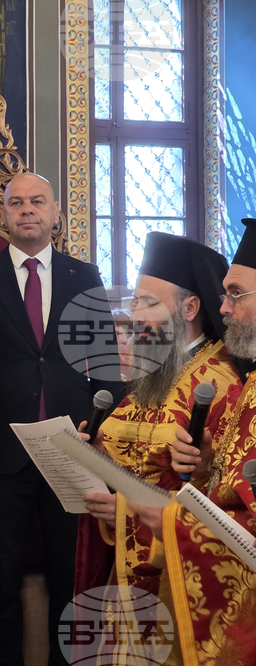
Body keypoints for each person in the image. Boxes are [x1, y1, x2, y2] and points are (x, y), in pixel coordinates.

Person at [0, 172, 123, 666]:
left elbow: (106, 369)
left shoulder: (82, 277)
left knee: (73, 576)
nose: (27, 210)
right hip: (1, 456)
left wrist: (99, 440)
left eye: (37, 201)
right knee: (0, 579)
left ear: (55, 212)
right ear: (4, 213)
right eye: (17, 202)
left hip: (72, 449)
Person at [75, 233, 243, 600]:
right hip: (125, 575)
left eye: (148, 303)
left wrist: (124, 511)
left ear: (189, 309)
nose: (134, 317)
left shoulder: (222, 385)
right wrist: (95, 459)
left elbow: (222, 498)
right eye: (134, 302)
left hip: (180, 583)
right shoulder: (151, 376)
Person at [131, 218, 256, 666]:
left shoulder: (225, 379)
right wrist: (205, 469)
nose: (224, 308)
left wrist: (172, 520)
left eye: (236, 294)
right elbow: (234, 488)